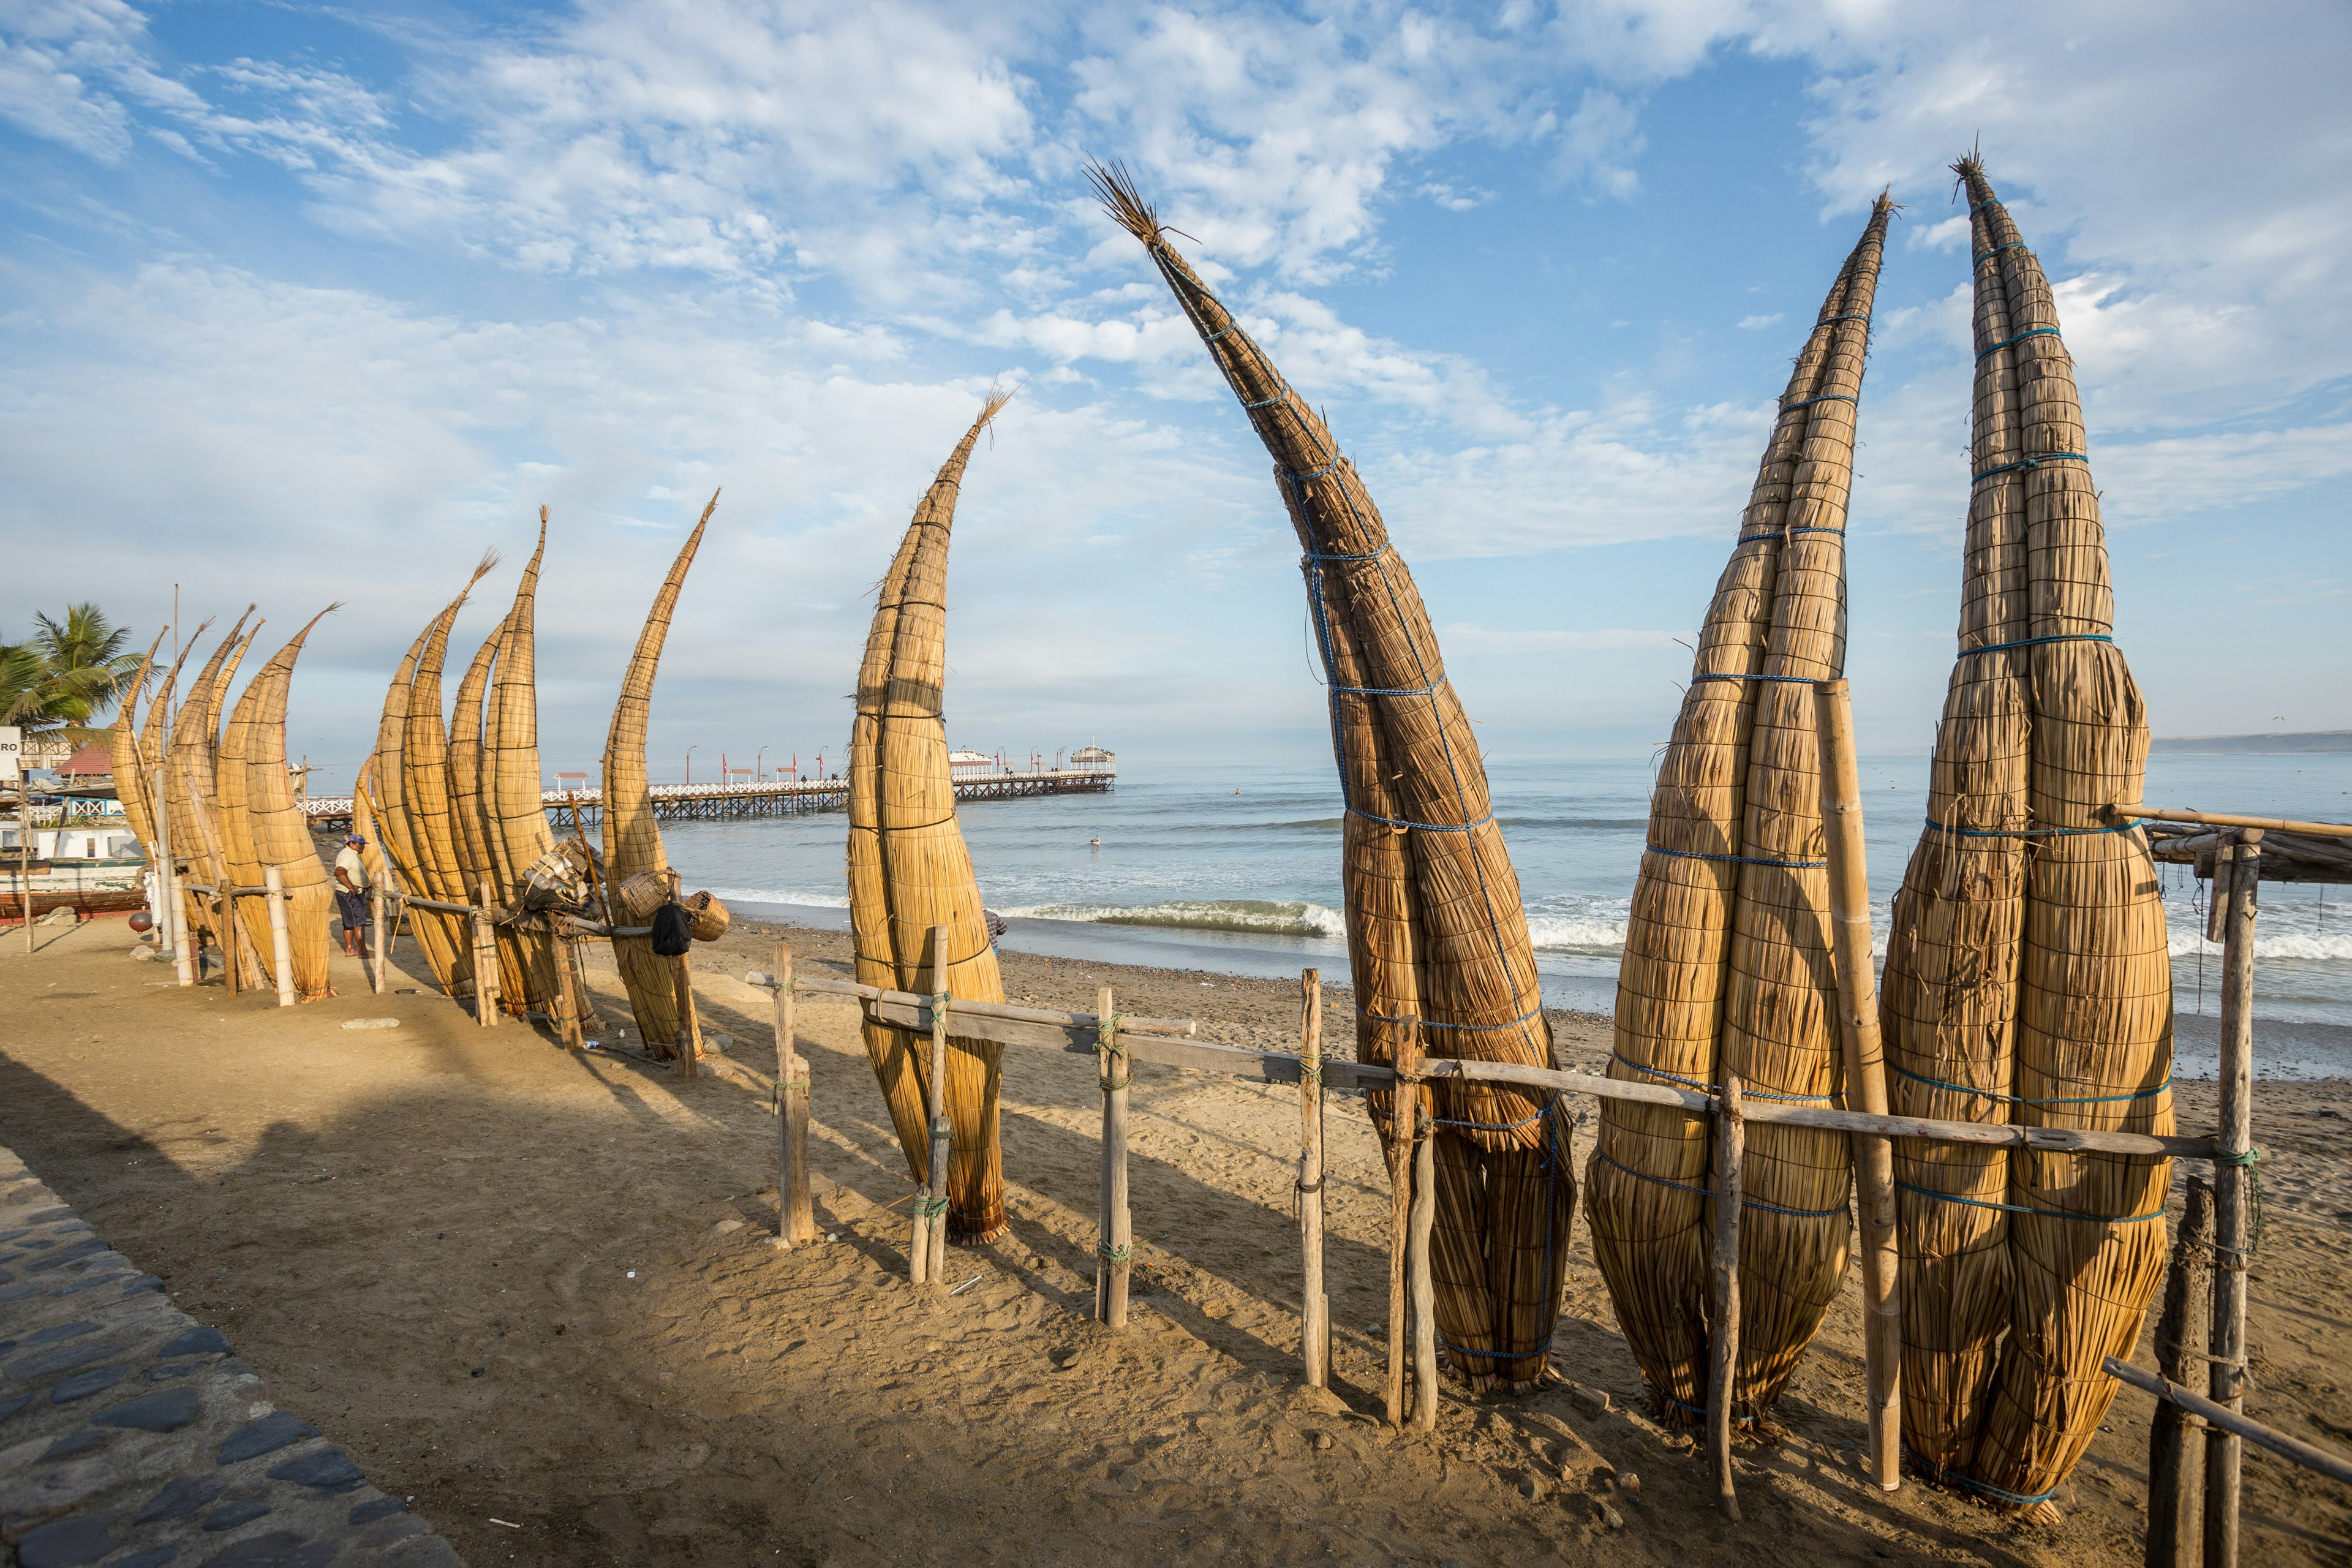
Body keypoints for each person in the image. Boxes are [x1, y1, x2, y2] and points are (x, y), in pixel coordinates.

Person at [333, 834, 371, 959]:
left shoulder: (350, 855)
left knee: (349, 923)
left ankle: (350, 949)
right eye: (360, 845)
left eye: (364, 845)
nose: (363, 847)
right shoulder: (348, 855)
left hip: (348, 893)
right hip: (350, 894)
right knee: (359, 922)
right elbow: (340, 872)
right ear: (352, 844)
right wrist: (352, 888)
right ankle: (363, 951)